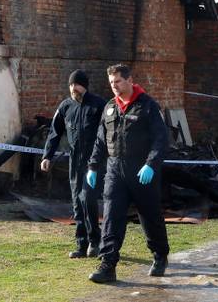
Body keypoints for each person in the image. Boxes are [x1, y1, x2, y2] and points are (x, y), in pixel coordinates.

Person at [85, 64, 170, 284]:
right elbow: (100, 140)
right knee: (112, 216)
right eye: (111, 83)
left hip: (142, 171)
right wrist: (93, 166)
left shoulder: (148, 106)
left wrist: (151, 164)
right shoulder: (110, 107)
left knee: (150, 217)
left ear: (130, 80)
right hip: (115, 170)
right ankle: (108, 265)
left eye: (118, 82)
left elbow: (161, 139)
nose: (114, 86)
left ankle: (160, 255)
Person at [40, 69, 107, 258]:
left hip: (93, 161)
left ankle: (95, 241)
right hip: (74, 161)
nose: (73, 88)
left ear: (84, 85)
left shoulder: (98, 105)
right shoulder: (65, 107)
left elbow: (106, 133)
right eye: (70, 85)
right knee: (77, 202)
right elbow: (54, 132)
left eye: (76, 84)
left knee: (88, 199)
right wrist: (47, 156)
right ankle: (81, 243)